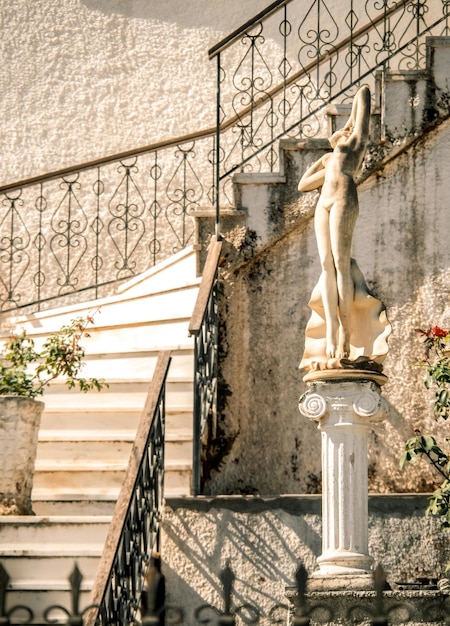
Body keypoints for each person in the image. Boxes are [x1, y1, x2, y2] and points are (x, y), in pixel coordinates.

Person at [298, 85, 371, 360]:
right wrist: (319, 161)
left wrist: (349, 125)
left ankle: (346, 333)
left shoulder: (353, 146)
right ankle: (331, 329)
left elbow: (363, 94)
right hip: (323, 203)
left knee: (341, 264)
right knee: (326, 265)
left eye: (342, 132)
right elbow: (303, 185)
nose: (336, 134)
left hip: (343, 198)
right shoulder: (330, 159)